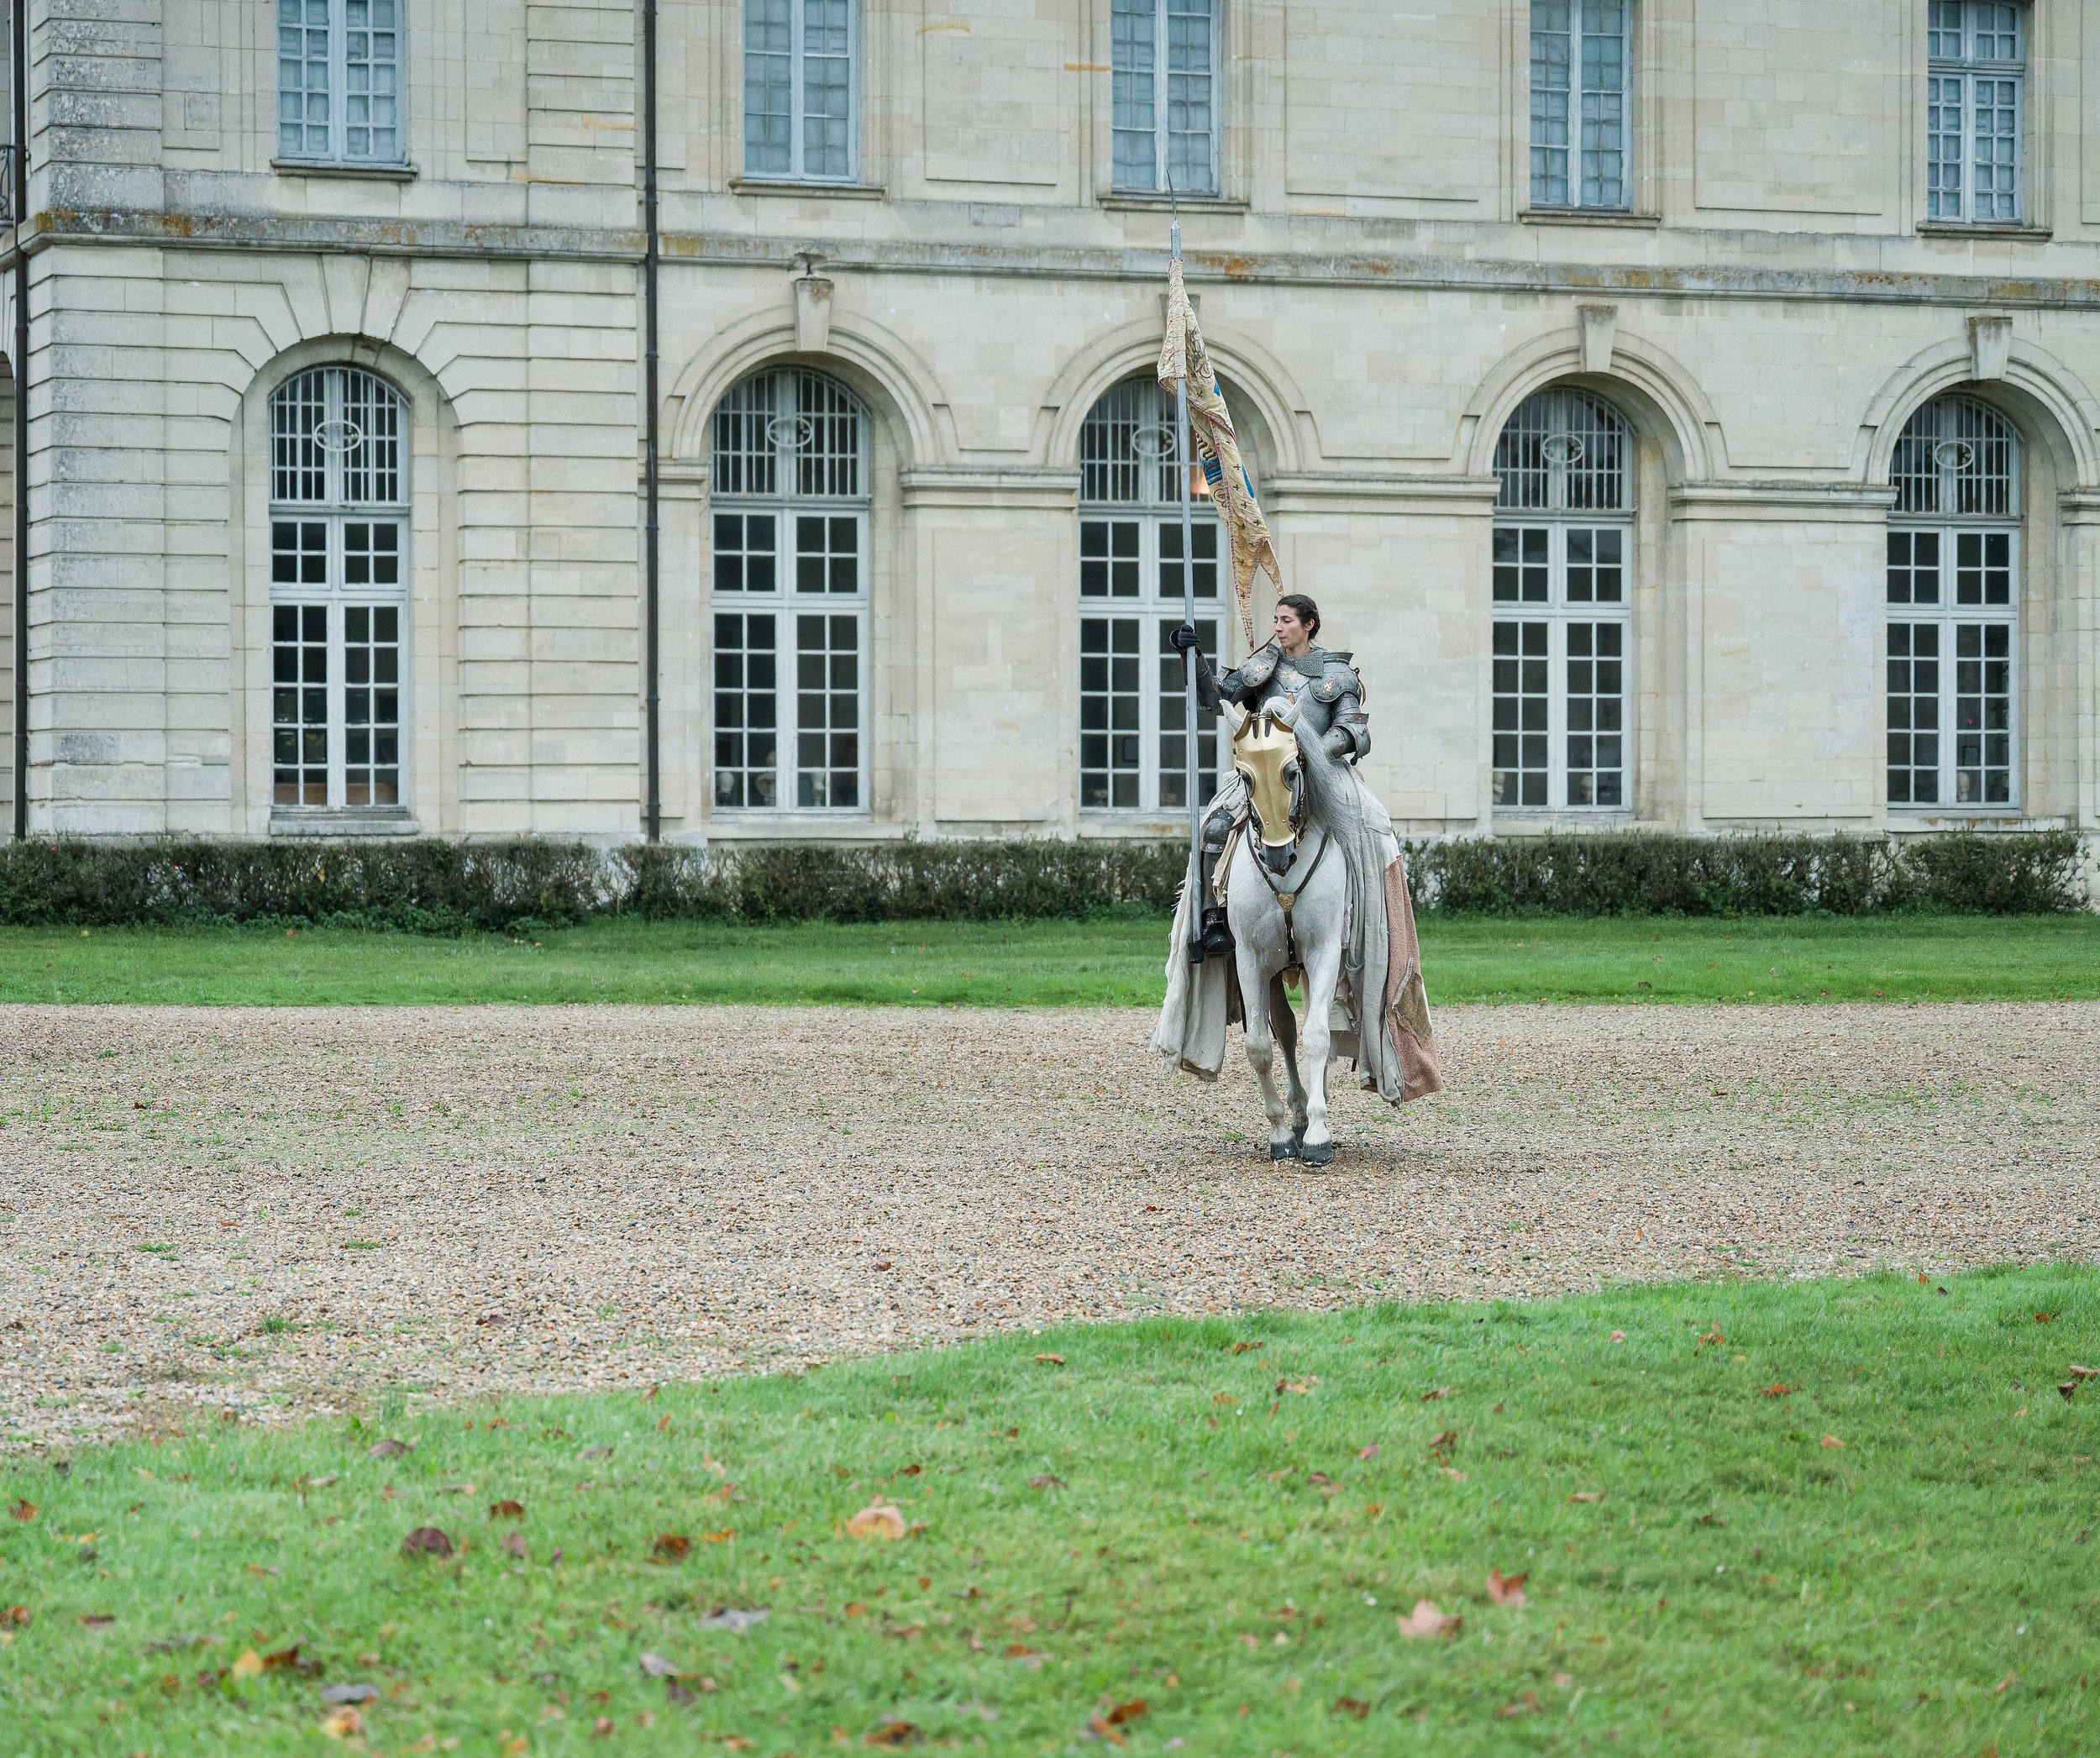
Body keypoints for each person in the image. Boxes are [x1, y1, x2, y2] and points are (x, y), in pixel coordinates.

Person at [1168, 593, 1370, 962]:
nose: (1278, 628)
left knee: (1371, 832)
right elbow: (1216, 699)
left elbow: (1354, 730)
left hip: (1322, 772)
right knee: (1215, 825)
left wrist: (1311, 756)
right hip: (1263, 772)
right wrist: (1193, 658)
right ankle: (1214, 917)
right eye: (1276, 620)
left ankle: (1365, 922)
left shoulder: (1336, 672)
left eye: (1287, 620)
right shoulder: (1264, 666)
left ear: (1309, 624)